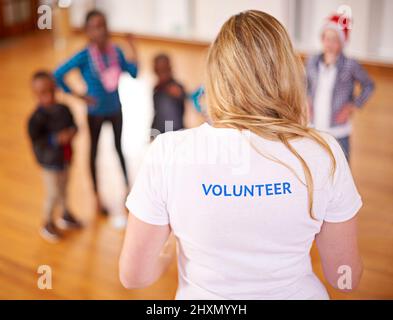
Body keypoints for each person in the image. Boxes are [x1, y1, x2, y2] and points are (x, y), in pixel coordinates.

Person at [119, 10, 363, 299]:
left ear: (217, 76)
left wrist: (169, 250)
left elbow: (133, 276)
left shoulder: (168, 151)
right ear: (287, 72)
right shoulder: (325, 152)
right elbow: (343, 277)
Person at [54, 10, 138, 215]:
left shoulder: (116, 51)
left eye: (102, 25)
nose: (99, 30)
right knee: (93, 152)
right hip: (95, 113)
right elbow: (58, 74)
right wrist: (79, 96)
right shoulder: (83, 56)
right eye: (94, 27)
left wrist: (132, 47)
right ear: (87, 32)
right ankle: (97, 196)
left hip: (116, 110)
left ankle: (128, 190)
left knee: (119, 149)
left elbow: (134, 73)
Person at [306, 13, 374, 161]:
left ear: (342, 43)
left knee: (341, 166)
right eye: (326, 38)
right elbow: (305, 84)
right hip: (315, 126)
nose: (329, 44)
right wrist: (308, 101)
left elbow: (369, 85)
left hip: (338, 129)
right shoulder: (312, 61)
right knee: (316, 165)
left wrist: (352, 106)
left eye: (335, 40)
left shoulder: (350, 65)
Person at [28, 71, 82, 242]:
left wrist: (72, 132)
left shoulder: (64, 109)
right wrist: (55, 139)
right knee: (52, 194)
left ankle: (65, 214)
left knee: (65, 189)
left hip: (65, 158)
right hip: (49, 163)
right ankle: (48, 222)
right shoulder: (35, 119)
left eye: (52, 91)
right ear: (35, 94)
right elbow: (37, 141)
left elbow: (74, 124)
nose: (49, 96)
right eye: (44, 93)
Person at [151, 54, 186, 139]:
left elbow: (170, 120)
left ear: (169, 68)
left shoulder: (175, 88)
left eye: (163, 70)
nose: (161, 73)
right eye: (158, 70)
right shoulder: (157, 90)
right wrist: (153, 134)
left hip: (172, 135)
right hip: (160, 133)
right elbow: (158, 115)